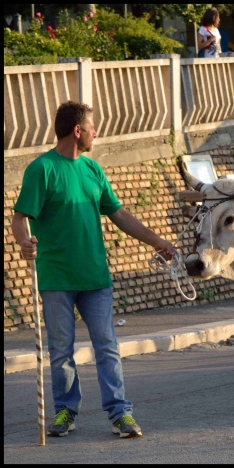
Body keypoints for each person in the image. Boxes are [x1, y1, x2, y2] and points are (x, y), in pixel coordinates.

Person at [11, 101, 176, 439]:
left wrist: (157, 241)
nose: (95, 132)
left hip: (96, 278)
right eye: (92, 126)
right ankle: (64, 413)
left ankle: (120, 414)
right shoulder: (41, 170)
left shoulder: (93, 170)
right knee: (61, 352)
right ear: (77, 130)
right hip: (56, 278)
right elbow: (19, 218)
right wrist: (23, 242)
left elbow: (119, 215)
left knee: (107, 345)